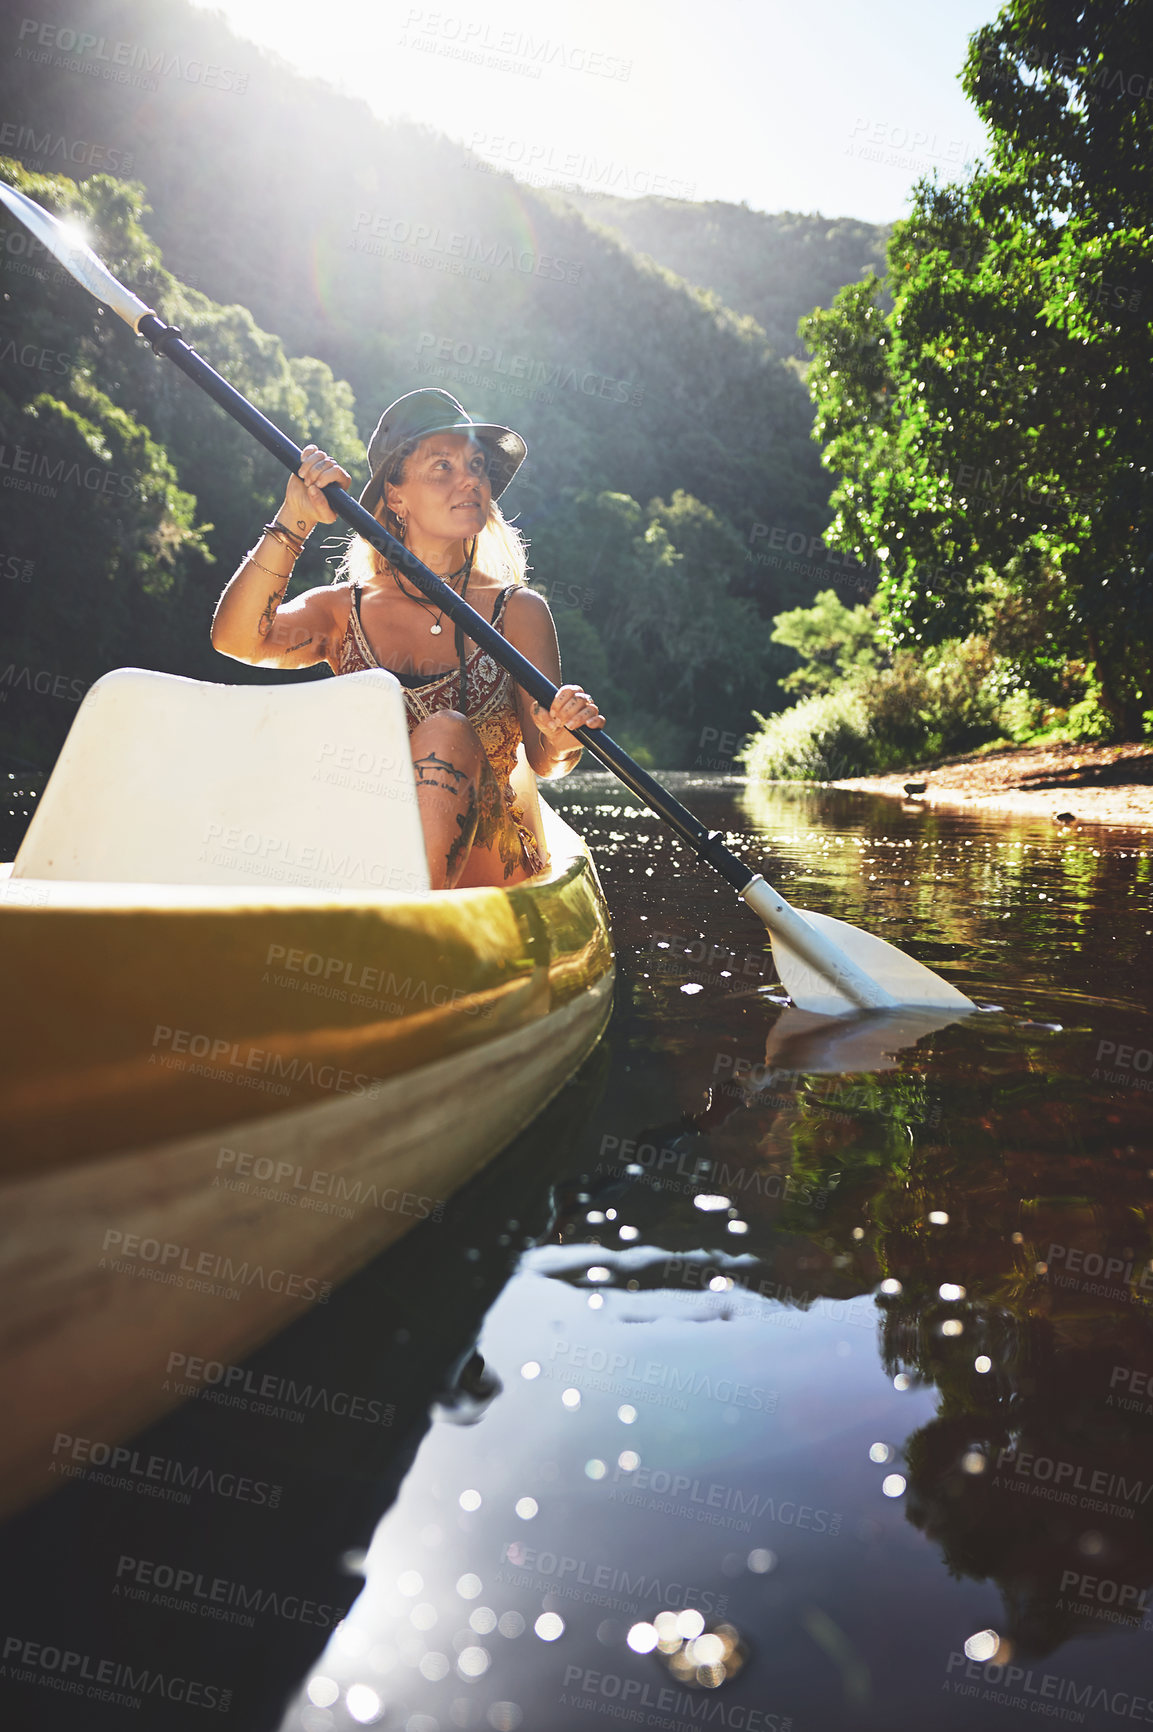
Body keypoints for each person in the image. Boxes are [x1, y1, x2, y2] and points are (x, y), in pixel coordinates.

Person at [211, 389, 603, 889]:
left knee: (446, 731)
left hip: (492, 858)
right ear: (395, 497)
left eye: (477, 465)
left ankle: (411, 925)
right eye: (443, 466)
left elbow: (547, 761)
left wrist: (563, 736)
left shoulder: (519, 611)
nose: (471, 480)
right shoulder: (340, 611)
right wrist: (296, 517)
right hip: (370, 850)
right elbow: (239, 639)